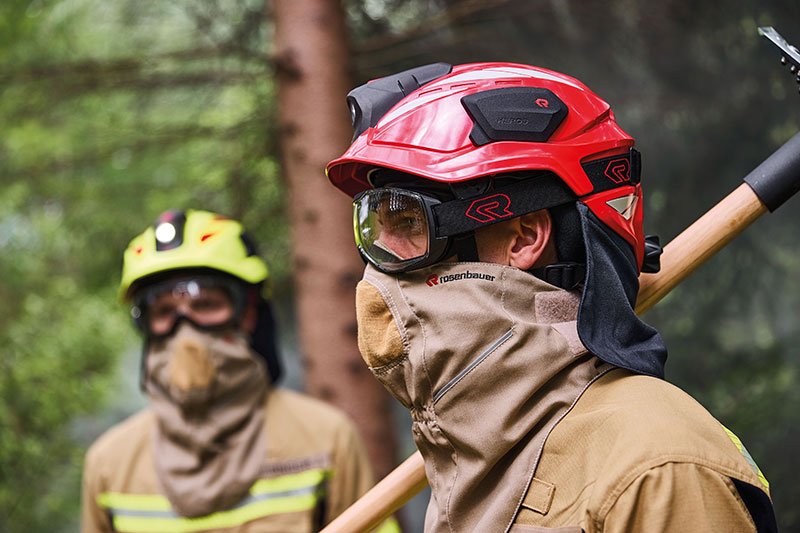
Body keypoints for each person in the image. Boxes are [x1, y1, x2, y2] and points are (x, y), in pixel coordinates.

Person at [327, 63, 777, 532]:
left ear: (523, 238)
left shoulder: (656, 469)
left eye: (409, 223)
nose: (380, 261)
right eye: (373, 225)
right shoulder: (469, 461)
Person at [81, 209, 398, 533]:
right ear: (145, 325)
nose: (185, 330)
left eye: (205, 305)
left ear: (248, 313)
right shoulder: (110, 465)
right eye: (163, 312)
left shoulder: (324, 440)